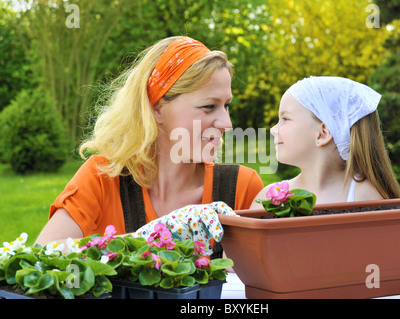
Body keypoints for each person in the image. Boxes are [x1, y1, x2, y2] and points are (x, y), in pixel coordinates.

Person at [36, 36, 263, 245]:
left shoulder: (241, 188)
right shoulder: (103, 178)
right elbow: (41, 257)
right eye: (208, 106)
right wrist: (152, 237)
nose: (227, 123)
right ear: (156, 108)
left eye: (226, 106)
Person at [251, 76, 400, 207]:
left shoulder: (364, 197)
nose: (273, 129)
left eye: (285, 119)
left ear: (322, 133)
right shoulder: (268, 199)